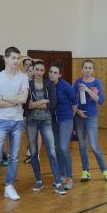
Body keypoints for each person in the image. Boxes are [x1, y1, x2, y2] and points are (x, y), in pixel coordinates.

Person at [0, 47, 29, 205]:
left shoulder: (23, 77)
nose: (16, 61)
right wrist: (14, 99)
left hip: (17, 121)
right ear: (6, 59)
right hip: (1, 121)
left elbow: (23, 100)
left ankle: (9, 186)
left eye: (18, 58)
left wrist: (3, 97)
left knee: (14, 157)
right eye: (14, 58)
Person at [26, 60, 65, 194]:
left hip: (46, 121)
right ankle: (38, 181)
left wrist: (35, 103)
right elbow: (28, 105)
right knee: (33, 152)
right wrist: (43, 101)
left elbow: (52, 103)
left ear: (44, 72)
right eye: (36, 69)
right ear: (33, 71)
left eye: (41, 70)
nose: (39, 72)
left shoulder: (49, 84)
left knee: (51, 152)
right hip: (31, 121)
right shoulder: (28, 84)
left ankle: (58, 182)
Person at [73, 60, 107, 182]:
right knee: (82, 145)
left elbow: (100, 100)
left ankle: (105, 171)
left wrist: (87, 89)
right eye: (85, 67)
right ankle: (85, 171)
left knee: (94, 145)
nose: (87, 70)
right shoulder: (77, 82)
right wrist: (78, 111)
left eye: (90, 68)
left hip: (91, 117)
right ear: (82, 69)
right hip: (79, 116)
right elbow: (71, 100)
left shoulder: (97, 82)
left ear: (93, 70)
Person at [49, 61, 77, 190]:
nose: (52, 74)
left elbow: (74, 103)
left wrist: (69, 117)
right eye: (51, 72)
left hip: (66, 119)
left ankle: (69, 177)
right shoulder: (48, 85)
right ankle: (61, 175)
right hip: (54, 121)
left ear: (59, 75)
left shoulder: (65, 86)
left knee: (64, 148)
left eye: (55, 73)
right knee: (58, 149)